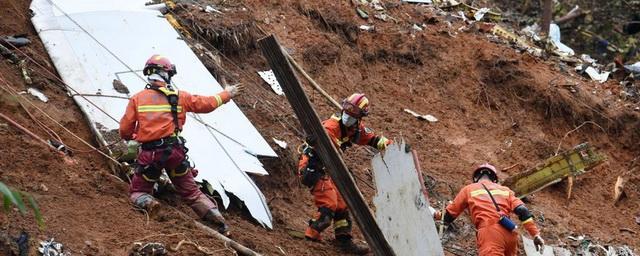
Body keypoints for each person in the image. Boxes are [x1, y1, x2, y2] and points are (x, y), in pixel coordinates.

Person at [119, 54, 240, 236]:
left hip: (151, 156)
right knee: (192, 193)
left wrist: (136, 135)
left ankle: (150, 203)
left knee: (138, 191)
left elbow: (125, 131)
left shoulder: (137, 99)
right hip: (175, 153)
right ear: (166, 74)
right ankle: (220, 222)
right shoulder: (180, 97)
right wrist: (227, 94)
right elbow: (207, 104)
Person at [297, 93, 392, 254]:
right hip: (313, 167)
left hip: (329, 169)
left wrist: (395, 147)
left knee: (342, 204)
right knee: (329, 204)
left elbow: (375, 140)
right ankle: (311, 236)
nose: (348, 117)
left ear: (360, 118)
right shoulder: (330, 127)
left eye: (352, 115)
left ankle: (343, 240)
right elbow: (327, 146)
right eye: (346, 113)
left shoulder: (355, 129)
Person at [434, 163, 545, 256]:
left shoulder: (469, 189)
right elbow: (523, 211)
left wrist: (434, 214)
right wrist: (535, 234)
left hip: (490, 233)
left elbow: (448, 215)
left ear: (475, 178)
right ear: (494, 179)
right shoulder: (505, 190)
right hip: (510, 232)